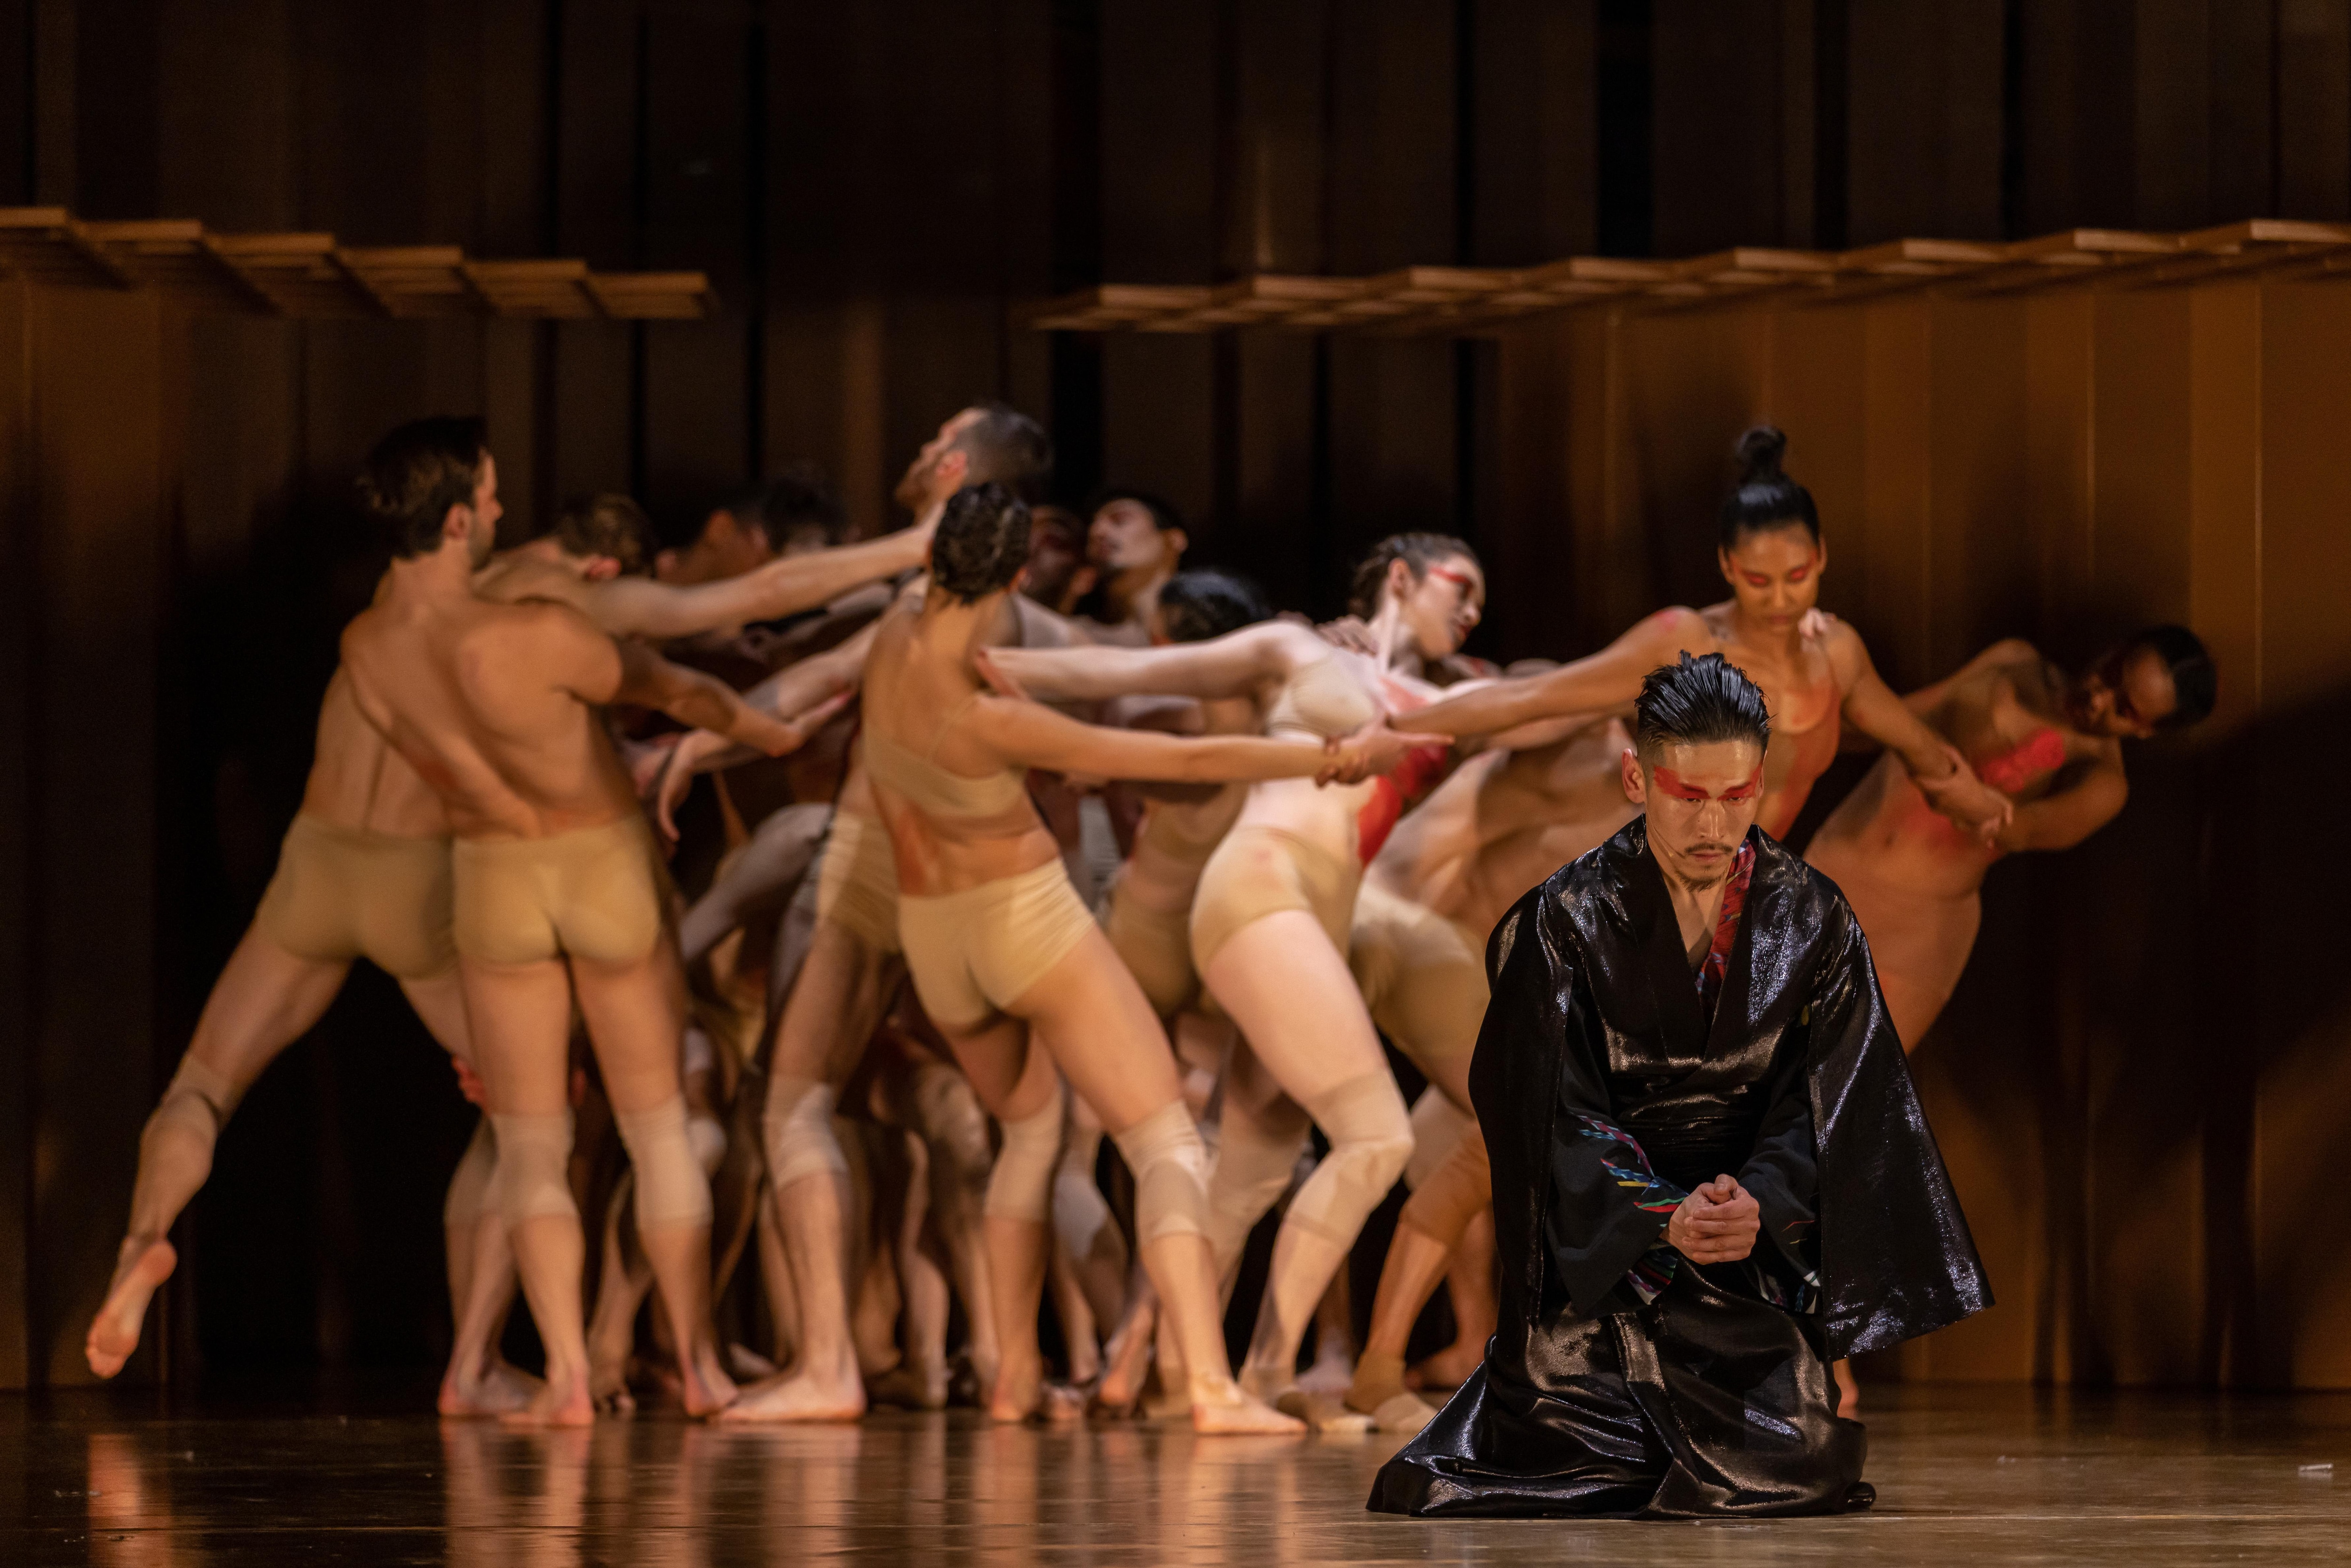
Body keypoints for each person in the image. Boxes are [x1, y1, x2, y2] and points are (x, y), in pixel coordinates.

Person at [846, 481, 1420, 1431]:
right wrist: (1321, 758)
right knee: (1160, 1139)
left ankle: (1011, 1373)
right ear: (1022, 573)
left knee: (1028, 1135)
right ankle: (1204, 1384)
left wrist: (1291, 635)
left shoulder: (892, 636)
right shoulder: (985, 712)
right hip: (1016, 917)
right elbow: (1183, 762)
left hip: (930, 933)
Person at [1370, 652, 1990, 1519]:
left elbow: (1836, 1101)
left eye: (1736, 797)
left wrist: (1758, 1204)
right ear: (1638, 777)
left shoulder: (1814, 917)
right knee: (1560, 1432)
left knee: (1802, 1452)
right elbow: (1550, 1113)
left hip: (1741, 1260)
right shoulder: (1563, 921)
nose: (1713, 822)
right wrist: (1661, 1213)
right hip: (1607, 1264)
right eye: (1687, 795)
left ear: (1761, 782)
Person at [337, 417, 824, 1426]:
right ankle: (694, 1363)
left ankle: (562, 1373)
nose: (508, 512)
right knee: (655, 1129)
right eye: (495, 495)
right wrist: (767, 728)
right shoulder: (535, 631)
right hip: (596, 861)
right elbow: (675, 686)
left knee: (529, 1144)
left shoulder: (367, 645)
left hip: (490, 875)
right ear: (463, 518)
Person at [986, 532, 1483, 1423]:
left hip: (1311, 923)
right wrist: (987, 665)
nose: (1473, 608)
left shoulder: (1455, 697)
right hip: (1259, 891)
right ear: (1401, 579)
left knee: (1249, 1170)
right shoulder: (1296, 649)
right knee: (1376, 1139)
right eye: (1462, 588)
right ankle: (1256, 1376)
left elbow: (1558, 699)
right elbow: (1126, 673)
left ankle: (1189, 1376)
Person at [721, 402, 1069, 1425]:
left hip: (883, 871)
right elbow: (807, 681)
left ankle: (838, 1361)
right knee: (1013, 1120)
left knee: (797, 1105)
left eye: (928, 443)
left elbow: (794, 645)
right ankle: (1015, 1363)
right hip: (977, 883)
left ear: (952, 465)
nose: (914, 453)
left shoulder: (925, 583)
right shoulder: (980, 603)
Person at [1388, 427, 2012, 845]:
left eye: (1796, 577)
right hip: (1663, 882)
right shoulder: (1686, 640)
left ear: (1822, 557)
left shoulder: (1837, 652)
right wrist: (1387, 729)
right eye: (1757, 580)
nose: (1779, 599)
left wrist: (1975, 798)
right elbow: (1536, 698)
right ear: (1726, 567)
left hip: (1752, 893)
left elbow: (1913, 741)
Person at [1343, 708, 1642, 1428]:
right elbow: (1521, 701)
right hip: (1412, 933)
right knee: (1507, 1130)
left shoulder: (1650, 833)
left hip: (1466, 965)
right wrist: (1404, 710)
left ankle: (1474, 1345)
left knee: (1447, 1145)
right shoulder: (1572, 751)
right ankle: (1379, 1363)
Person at [1806, 626, 2216, 1049]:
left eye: (2124, 710)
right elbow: (1897, 716)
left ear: (2146, 730)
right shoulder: (2015, 660)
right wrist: (1793, 722)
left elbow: (2019, 829)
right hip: (1838, 863)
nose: (2099, 698)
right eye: (2112, 673)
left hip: (1916, 927)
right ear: (2115, 647)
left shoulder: (2101, 780)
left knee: (1825, 1101)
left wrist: (1946, 772)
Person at [1074, 489, 1187, 644]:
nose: (1098, 532)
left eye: (1120, 520)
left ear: (1173, 540)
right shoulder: (1072, 635)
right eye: (1093, 527)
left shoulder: (1211, 631)